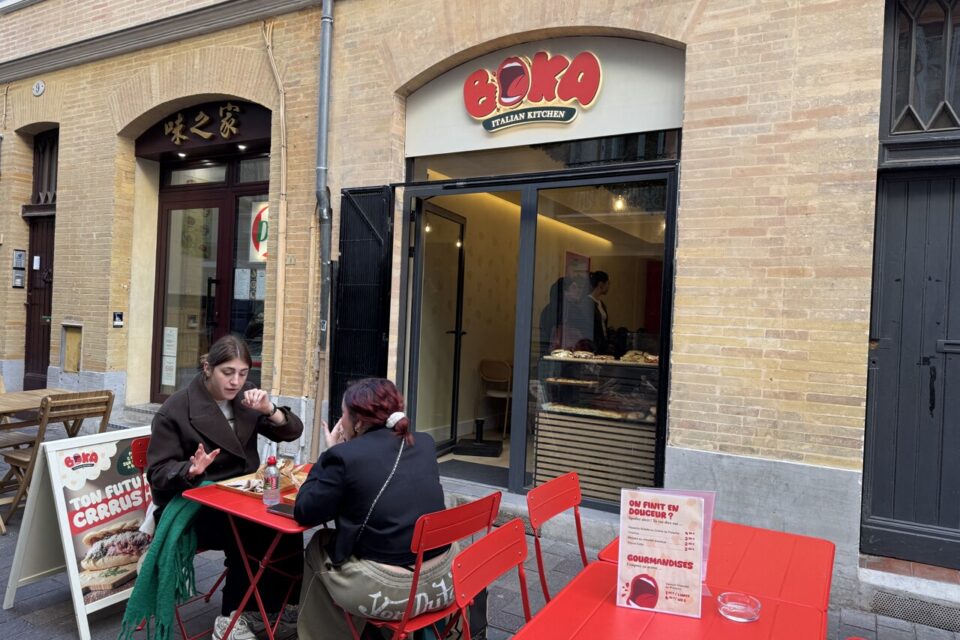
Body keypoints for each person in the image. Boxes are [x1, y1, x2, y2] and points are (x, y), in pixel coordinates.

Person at [146, 335, 305, 640]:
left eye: (243, 373)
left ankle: (282, 607)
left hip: (243, 495)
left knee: (288, 520)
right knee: (251, 528)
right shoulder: (176, 407)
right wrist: (190, 469)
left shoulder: (247, 398)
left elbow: (292, 431)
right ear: (208, 368)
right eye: (227, 373)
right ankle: (233, 620)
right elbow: (157, 473)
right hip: (192, 501)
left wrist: (269, 409)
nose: (235, 382)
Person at [294, 378, 453, 640]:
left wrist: (327, 455)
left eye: (343, 414)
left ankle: (325, 633)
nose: (341, 421)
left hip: (389, 594)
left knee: (318, 544)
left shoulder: (344, 456)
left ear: (357, 422)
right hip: (445, 581)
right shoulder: (424, 443)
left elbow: (305, 511)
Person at [589, 270, 611, 354]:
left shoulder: (601, 303)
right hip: (594, 345)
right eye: (607, 283)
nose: (609, 286)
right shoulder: (588, 303)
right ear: (601, 284)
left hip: (602, 344)